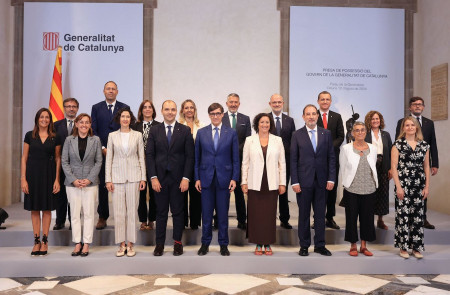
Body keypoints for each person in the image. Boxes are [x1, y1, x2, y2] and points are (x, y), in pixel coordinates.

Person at [147, 100, 194, 256]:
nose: (170, 112)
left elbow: (189, 157)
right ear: (161, 111)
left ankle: (177, 243)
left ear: (176, 112)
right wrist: (153, 177)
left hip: (179, 179)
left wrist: (186, 178)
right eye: (167, 109)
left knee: (178, 212)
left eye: (173, 109)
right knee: (160, 212)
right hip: (159, 179)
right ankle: (159, 244)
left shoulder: (185, 130)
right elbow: (150, 155)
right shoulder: (154, 130)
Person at [195, 103, 239, 256]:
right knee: (206, 215)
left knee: (222, 215)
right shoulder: (201, 133)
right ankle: (205, 243)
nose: (215, 116)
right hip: (206, 178)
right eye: (212, 113)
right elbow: (197, 158)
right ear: (209, 115)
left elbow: (235, 159)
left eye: (218, 113)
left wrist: (234, 178)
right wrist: (197, 178)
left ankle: (223, 244)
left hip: (224, 179)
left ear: (222, 115)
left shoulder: (231, 133)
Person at [291, 104, 335, 257]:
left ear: (317, 116)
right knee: (303, 215)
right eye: (307, 114)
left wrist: (331, 178)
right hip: (303, 182)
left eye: (313, 114)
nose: (311, 116)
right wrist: (294, 181)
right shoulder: (297, 135)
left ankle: (320, 245)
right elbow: (293, 160)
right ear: (303, 117)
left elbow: (331, 157)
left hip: (322, 182)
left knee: (320, 216)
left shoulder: (326, 133)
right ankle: (304, 246)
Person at [241, 113, 286, 255]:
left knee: (269, 214)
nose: (265, 125)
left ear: (270, 124)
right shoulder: (250, 140)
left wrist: (282, 183)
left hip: (271, 182)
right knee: (255, 214)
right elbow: (245, 163)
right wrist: (244, 181)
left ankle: (267, 243)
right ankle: (258, 243)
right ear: (257, 124)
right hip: (255, 182)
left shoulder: (278, 140)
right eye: (262, 122)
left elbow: (282, 164)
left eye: (267, 122)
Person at [105, 107, 146, 257]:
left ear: (131, 119)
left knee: (132, 212)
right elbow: (109, 158)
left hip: (134, 177)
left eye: (128, 117)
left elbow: (141, 156)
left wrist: (143, 177)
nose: (125, 119)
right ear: (119, 118)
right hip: (117, 178)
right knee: (119, 212)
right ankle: (121, 244)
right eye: (123, 116)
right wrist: (108, 179)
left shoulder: (137, 135)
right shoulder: (112, 136)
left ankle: (131, 244)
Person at [21, 108, 61, 256]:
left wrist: (57, 179)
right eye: (41, 117)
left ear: (50, 120)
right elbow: (24, 158)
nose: (44, 119)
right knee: (35, 208)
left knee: (47, 209)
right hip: (32, 175)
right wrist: (23, 179)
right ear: (37, 119)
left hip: (49, 175)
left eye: (47, 117)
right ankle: (36, 240)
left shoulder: (55, 137)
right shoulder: (29, 136)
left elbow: (58, 159)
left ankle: (45, 240)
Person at [61, 113, 102, 257]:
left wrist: (89, 179)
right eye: (81, 122)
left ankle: (86, 243)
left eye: (87, 122)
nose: (84, 125)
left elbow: (99, 162)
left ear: (90, 125)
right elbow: (64, 161)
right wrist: (73, 179)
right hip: (73, 184)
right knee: (75, 214)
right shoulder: (69, 140)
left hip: (90, 184)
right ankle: (77, 242)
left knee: (89, 214)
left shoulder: (95, 140)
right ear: (76, 124)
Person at [395, 97, 438, 230]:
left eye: (420, 104)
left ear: (423, 107)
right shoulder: (402, 122)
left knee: (422, 193)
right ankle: (406, 219)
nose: (418, 106)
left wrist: (435, 163)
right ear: (410, 107)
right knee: (405, 196)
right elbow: (397, 141)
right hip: (405, 166)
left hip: (421, 165)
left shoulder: (429, 123)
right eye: (415, 104)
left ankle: (422, 218)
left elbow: (433, 144)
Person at [91, 81, 129, 230]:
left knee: (121, 184)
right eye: (108, 89)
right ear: (104, 91)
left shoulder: (124, 108)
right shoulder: (96, 108)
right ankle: (102, 216)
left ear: (117, 91)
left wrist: (117, 148)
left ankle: (122, 215)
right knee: (103, 186)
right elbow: (93, 129)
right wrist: (103, 147)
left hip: (120, 153)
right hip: (103, 153)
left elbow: (126, 128)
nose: (111, 91)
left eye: (113, 89)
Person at [392, 116, 430, 259]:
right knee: (403, 216)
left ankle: (416, 247)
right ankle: (403, 247)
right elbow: (394, 168)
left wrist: (426, 186)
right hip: (403, 185)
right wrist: (398, 187)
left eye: (412, 125)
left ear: (416, 128)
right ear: (403, 128)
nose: (410, 127)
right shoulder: (397, 145)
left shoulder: (424, 145)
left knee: (417, 217)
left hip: (418, 185)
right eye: (407, 125)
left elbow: (426, 167)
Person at [340, 122, 378, 257]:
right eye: (357, 130)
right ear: (352, 133)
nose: (360, 132)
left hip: (369, 188)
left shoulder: (373, 148)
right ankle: (353, 245)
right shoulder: (346, 149)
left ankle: (363, 245)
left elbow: (373, 167)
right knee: (351, 218)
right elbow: (343, 168)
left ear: (366, 132)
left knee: (367, 218)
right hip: (352, 189)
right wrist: (346, 185)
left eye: (362, 130)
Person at [221, 93, 251, 230]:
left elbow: (248, 140)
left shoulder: (246, 119)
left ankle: (242, 220)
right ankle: (220, 218)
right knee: (223, 193)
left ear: (239, 104)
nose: (233, 104)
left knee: (239, 193)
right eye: (231, 102)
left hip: (239, 161)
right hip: (223, 162)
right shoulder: (221, 117)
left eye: (236, 102)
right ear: (226, 103)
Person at [316, 91, 345, 230]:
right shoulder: (313, 115)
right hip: (316, 159)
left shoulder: (337, 117)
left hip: (333, 158)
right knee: (318, 189)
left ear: (331, 101)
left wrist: (329, 147)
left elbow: (341, 136)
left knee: (331, 188)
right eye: (322, 99)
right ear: (318, 101)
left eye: (327, 99)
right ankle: (318, 218)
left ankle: (330, 217)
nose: (325, 101)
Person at [268, 94, 296, 229]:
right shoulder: (265, 119)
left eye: (279, 102)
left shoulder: (290, 120)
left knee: (283, 190)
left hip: (286, 161)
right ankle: (268, 218)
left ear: (283, 103)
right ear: (270, 104)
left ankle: (284, 219)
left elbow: (293, 140)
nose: (277, 104)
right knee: (270, 191)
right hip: (269, 161)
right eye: (274, 102)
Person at [133, 99, 160, 231]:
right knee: (141, 193)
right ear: (141, 110)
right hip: (139, 165)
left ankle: (152, 219)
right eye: (145, 107)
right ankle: (143, 220)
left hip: (155, 164)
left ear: (153, 110)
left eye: (150, 107)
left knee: (155, 193)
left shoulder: (159, 126)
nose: (148, 109)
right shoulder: (134, 126)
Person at [53, 98, 79, 231]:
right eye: (68, 106)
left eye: (74, 106)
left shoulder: (82, 124)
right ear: (64, 108)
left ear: (77, 109)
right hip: (60, 165)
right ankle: (60, 220)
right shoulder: (56, 125)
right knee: (61, 194)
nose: (71, 109)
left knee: (74, 195)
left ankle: (73, 221)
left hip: (77, 166)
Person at [364, 111, 392, 230]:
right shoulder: (365, 134)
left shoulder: (386, 134)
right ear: (369, 121)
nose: (375, 121)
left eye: (377, 119)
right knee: (370, 193)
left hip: (384, 165)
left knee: (383, 192)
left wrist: (391, 168)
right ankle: (367, 220)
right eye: (373, 119)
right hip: (370, 165)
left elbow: (391, 152)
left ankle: (380, 220)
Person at [179, 99, 204, 230]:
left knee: (196, 195)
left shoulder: (202, 126)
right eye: (186, 107)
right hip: (181, 166)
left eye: (191, 107)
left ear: (195, 110)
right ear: (182, 110)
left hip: (197, 166)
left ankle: (194, 223)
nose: (189, 110)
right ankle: (182, 222)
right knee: (181, 194)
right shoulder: (177, 125)